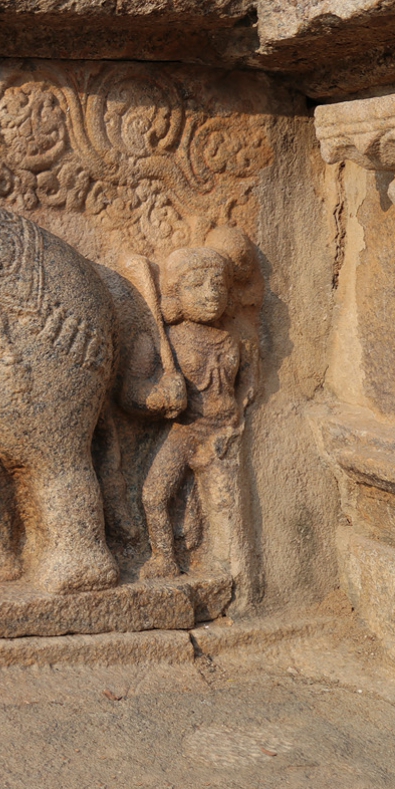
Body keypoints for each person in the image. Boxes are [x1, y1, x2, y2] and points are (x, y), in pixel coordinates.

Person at [140, 245, 251, 579]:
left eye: (217, 284)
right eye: (196, 285)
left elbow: (248, 385)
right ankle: (164, 558)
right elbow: (133, 393)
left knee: (225, 505)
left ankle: (226, 564)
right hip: (184, 433)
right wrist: (161, 396)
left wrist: (235, 420)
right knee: (153, 495)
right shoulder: (169, 341)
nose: (210, 294)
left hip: (222, 435)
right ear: (175, 294)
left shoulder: (235, 341)